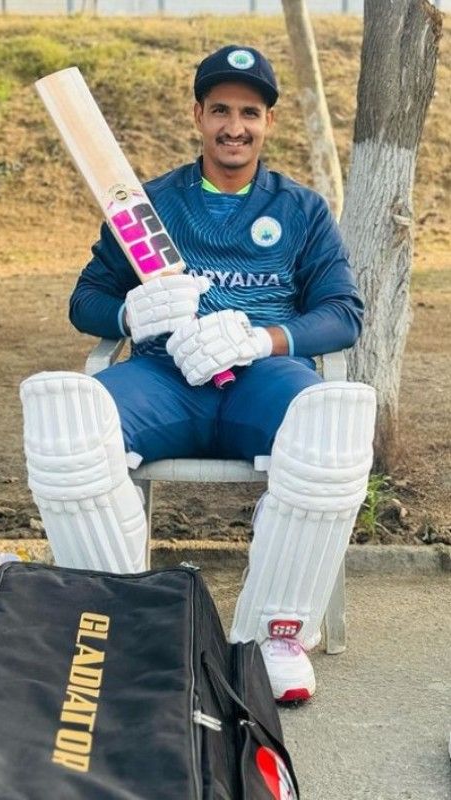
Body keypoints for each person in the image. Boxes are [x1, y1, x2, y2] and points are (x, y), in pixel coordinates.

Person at [21, 45, 376, 702]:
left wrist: (261, 338)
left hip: (263, 380)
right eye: (220, 111)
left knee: (332, 422)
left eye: (249, 113)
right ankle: (123, 627)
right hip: (162, 380)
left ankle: (277, 635)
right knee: (67, 420)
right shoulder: (149, 205)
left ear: (268, 122)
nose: (234, 127)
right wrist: (130, 312)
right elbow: (85, 300)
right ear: (198, 115)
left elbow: (342, 313)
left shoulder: (300, 210)